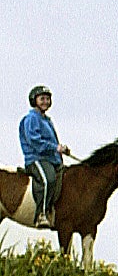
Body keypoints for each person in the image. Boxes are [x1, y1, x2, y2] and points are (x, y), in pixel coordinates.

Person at [18, 87, 71, 228]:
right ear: (34, 100)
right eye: (42, 99)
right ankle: (41, 214)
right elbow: (34, 140)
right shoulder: (31, 118)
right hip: (36, 158)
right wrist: (55, 147)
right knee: (48, 179)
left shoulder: (46, 120)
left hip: (50, 159)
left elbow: (51, 142)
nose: (45, 102)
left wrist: (61, 149)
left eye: (47, 99)